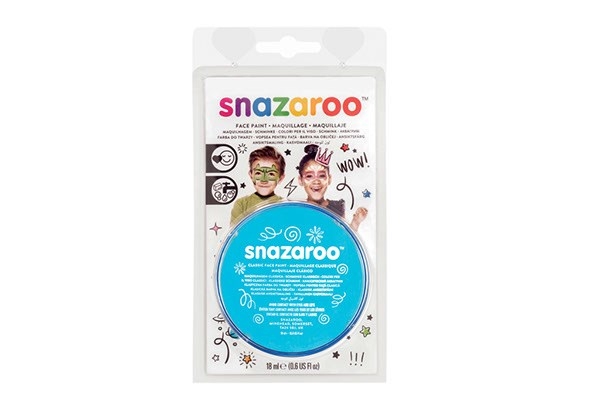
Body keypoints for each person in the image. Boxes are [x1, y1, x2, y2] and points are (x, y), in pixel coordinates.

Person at [297, 144, 367, 231]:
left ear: (329, 179)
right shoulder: (298, 209)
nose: (316, 181)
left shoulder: (337, 206)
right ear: (300, 180)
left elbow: (344, 235)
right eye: (309, 176)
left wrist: (356, 222)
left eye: (322, 175)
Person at [230, 146, 286, 226]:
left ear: (280, 178)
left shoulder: (284, 205)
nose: (264, 180)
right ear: (251, 175)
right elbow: (235, 231)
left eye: (271, 174)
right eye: (258, 173)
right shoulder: (242, 204)